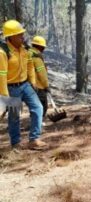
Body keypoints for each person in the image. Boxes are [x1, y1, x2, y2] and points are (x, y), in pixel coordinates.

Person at [0, 20, 47, 150]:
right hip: (11, 88)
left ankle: (34, 139)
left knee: (38, 108)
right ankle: (16, 143)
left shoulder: (25, 49)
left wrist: (32, 82)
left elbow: (30, 65)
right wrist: (4, 95)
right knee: (14, 116)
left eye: (22, 34)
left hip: (25, 85)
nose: (22, 36)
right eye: (19, 34)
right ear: (11, 37)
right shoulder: (3, 53)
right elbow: (2, 75)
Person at [29, 36, 49, 123]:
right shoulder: (37, 58)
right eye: (43, 47)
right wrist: (46, 86)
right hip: (38, 86)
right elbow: (42, 74)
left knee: (34, 105)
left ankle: (36, 122)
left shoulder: (27, 54)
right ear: (39, 46)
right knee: (43, 105)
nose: (44, 49)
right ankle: (37, 123)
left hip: (28, 85)